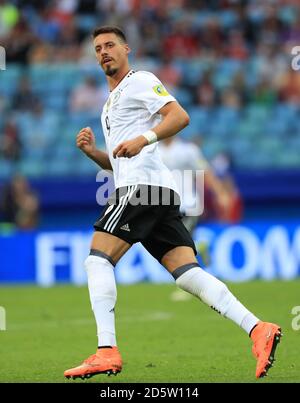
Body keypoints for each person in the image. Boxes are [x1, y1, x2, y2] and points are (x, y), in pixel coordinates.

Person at [64, 26, 282, 380]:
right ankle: (258, 329)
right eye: (98, 48)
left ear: (126, 49)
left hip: (142, 189)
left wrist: (144, 137)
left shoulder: (138, 81)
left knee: (97, 260)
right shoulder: (110, 104)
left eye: (110, 45)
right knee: (187, 273)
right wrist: (93, 154)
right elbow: (119, 162)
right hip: (153, 190)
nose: (104, 52)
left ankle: (106, 351)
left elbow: (179, 116)